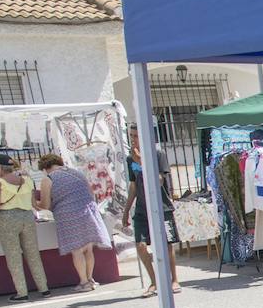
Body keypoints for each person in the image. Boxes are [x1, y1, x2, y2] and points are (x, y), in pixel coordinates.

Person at [37, 154, 110, 291]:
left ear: (46, 167)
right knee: (88, 249)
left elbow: (45, 205)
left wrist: (34, 203)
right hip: (88, 212)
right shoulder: (77, 173)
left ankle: (83, 282)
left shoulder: (48, 179)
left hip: (69, 215)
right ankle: (90, 279)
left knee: (77, 250)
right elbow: (90, 193)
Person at [122, 125, 179, 297]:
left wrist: (142, 162)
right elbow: (133, 186)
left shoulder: (158, 154)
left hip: (161, 207)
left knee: (167, 245)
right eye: (131, 136)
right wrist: (126, 211)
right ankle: (154, 282)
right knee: (140, 246)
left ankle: (174, 279)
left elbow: (160, 181)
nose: (133, 139)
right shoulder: (130, 158)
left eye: (136, 136)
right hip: (141, 209)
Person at [0, 153, 50, 302]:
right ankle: (44, 288)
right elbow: (34, 204)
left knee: (13, 256)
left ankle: (22, 292)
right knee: (33, 254)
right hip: (27, 217)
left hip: (6, 219)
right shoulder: (27, 180)